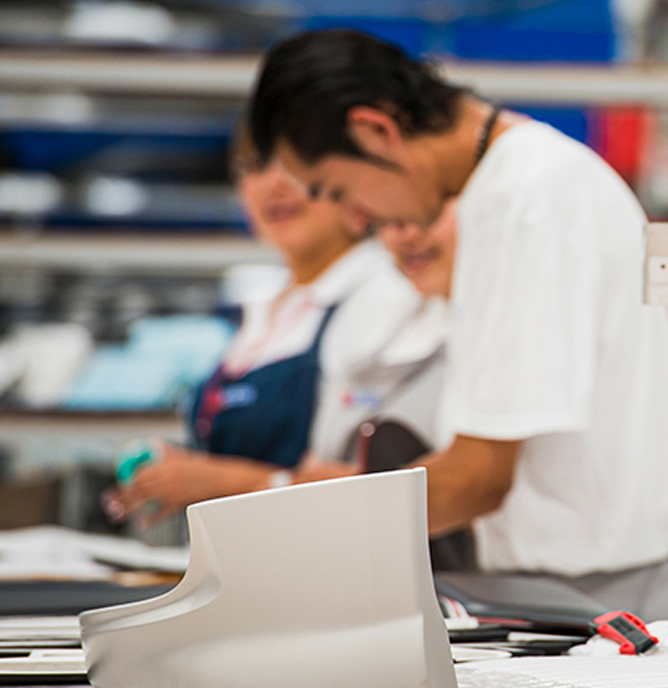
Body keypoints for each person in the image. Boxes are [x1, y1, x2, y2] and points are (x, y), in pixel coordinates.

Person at [245, 29, 668, 636]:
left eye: (339, 191)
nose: (356, 219)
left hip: (599, 610)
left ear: (376, 130)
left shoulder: (526, 203)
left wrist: (282, 534)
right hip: (560, 596)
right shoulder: (520, 184)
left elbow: (478, 478)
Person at [105, 123, 444, 526]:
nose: (274, 185)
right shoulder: (265, 304)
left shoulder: (388, 295)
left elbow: (376, 485)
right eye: (255, 166)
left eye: (295, 167)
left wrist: (217, 481)